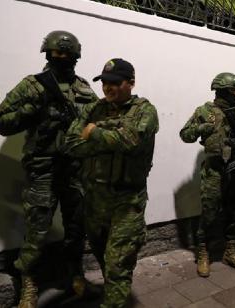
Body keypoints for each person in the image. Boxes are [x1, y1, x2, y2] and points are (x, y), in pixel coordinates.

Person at [0, 30, 97, 308]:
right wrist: (32, 110)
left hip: (75, 170)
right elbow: (0, 121)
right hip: (43, 170)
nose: (59, 58)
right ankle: (28, 284)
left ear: (75, 56)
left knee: (77, 228)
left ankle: (75, 275)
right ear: (47, 54)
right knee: (37, 232)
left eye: (65, 54)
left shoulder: (85, 88)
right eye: (55, 53)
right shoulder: (33, 85)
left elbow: (99, 122)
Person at [64, 58, 159, 307]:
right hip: (95, 197)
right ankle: (116, 295)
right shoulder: (93, 109)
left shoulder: (144, 111)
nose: (108, 87)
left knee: (118, 263)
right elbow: (71, 144)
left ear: (131, 83)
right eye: (105, 82)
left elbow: (130, 141)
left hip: (127, 201)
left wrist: (94, 133)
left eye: (115, 83)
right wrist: (108, 136)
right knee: (102, 256)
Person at [180, 72, 235, 277]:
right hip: (214, 170)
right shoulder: (205, 111)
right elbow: (185, 134)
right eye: (233, 90)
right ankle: (203, 251)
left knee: (234, 210)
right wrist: (202, 127)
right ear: (220, 90)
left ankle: (230, 250)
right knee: (210, 211)